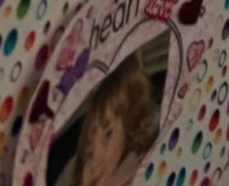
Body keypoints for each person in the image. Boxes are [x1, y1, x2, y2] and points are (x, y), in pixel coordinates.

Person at [55, 57, 157, 186]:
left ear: (130, 131)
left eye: (108, 136)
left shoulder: (144, 171)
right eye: (90, 151)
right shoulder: (76, 171)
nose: (97, 155)